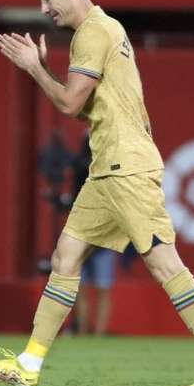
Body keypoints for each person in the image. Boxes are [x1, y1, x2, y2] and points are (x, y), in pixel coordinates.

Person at [0, 0, 194, 386]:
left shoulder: (93, 33)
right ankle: (28, 363)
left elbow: (66, 105)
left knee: (163, 263)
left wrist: (34, 69)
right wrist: (45, 72)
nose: (44, 9)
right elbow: (83, 110)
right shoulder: (104, 30)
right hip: (107, 170)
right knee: (66, 256)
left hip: (127, 168)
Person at [71, 132, 118, 336]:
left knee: (94, 288)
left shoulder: (85, 167)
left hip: (95, 233)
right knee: (95, 288)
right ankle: (92, 334)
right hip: (94, 233)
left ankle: (90, 333)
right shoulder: (107, 168)